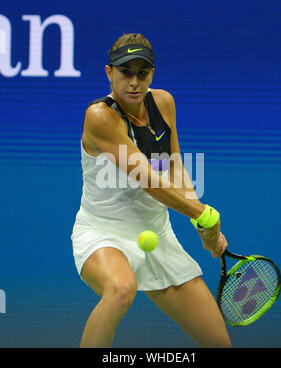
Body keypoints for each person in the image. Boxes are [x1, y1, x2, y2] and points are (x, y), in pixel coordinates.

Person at [71, 33, 231, 348]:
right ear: (109, 73)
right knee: (120, 289)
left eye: (141, 73)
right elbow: (149, 179)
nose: (133, 81)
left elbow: (173, 168)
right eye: (125, 72)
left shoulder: (163, 103)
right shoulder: (100, 116)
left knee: (219, 344)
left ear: (152, 74)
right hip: (103, 235)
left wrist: (201, 225)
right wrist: (205, 215)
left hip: (158, 236)